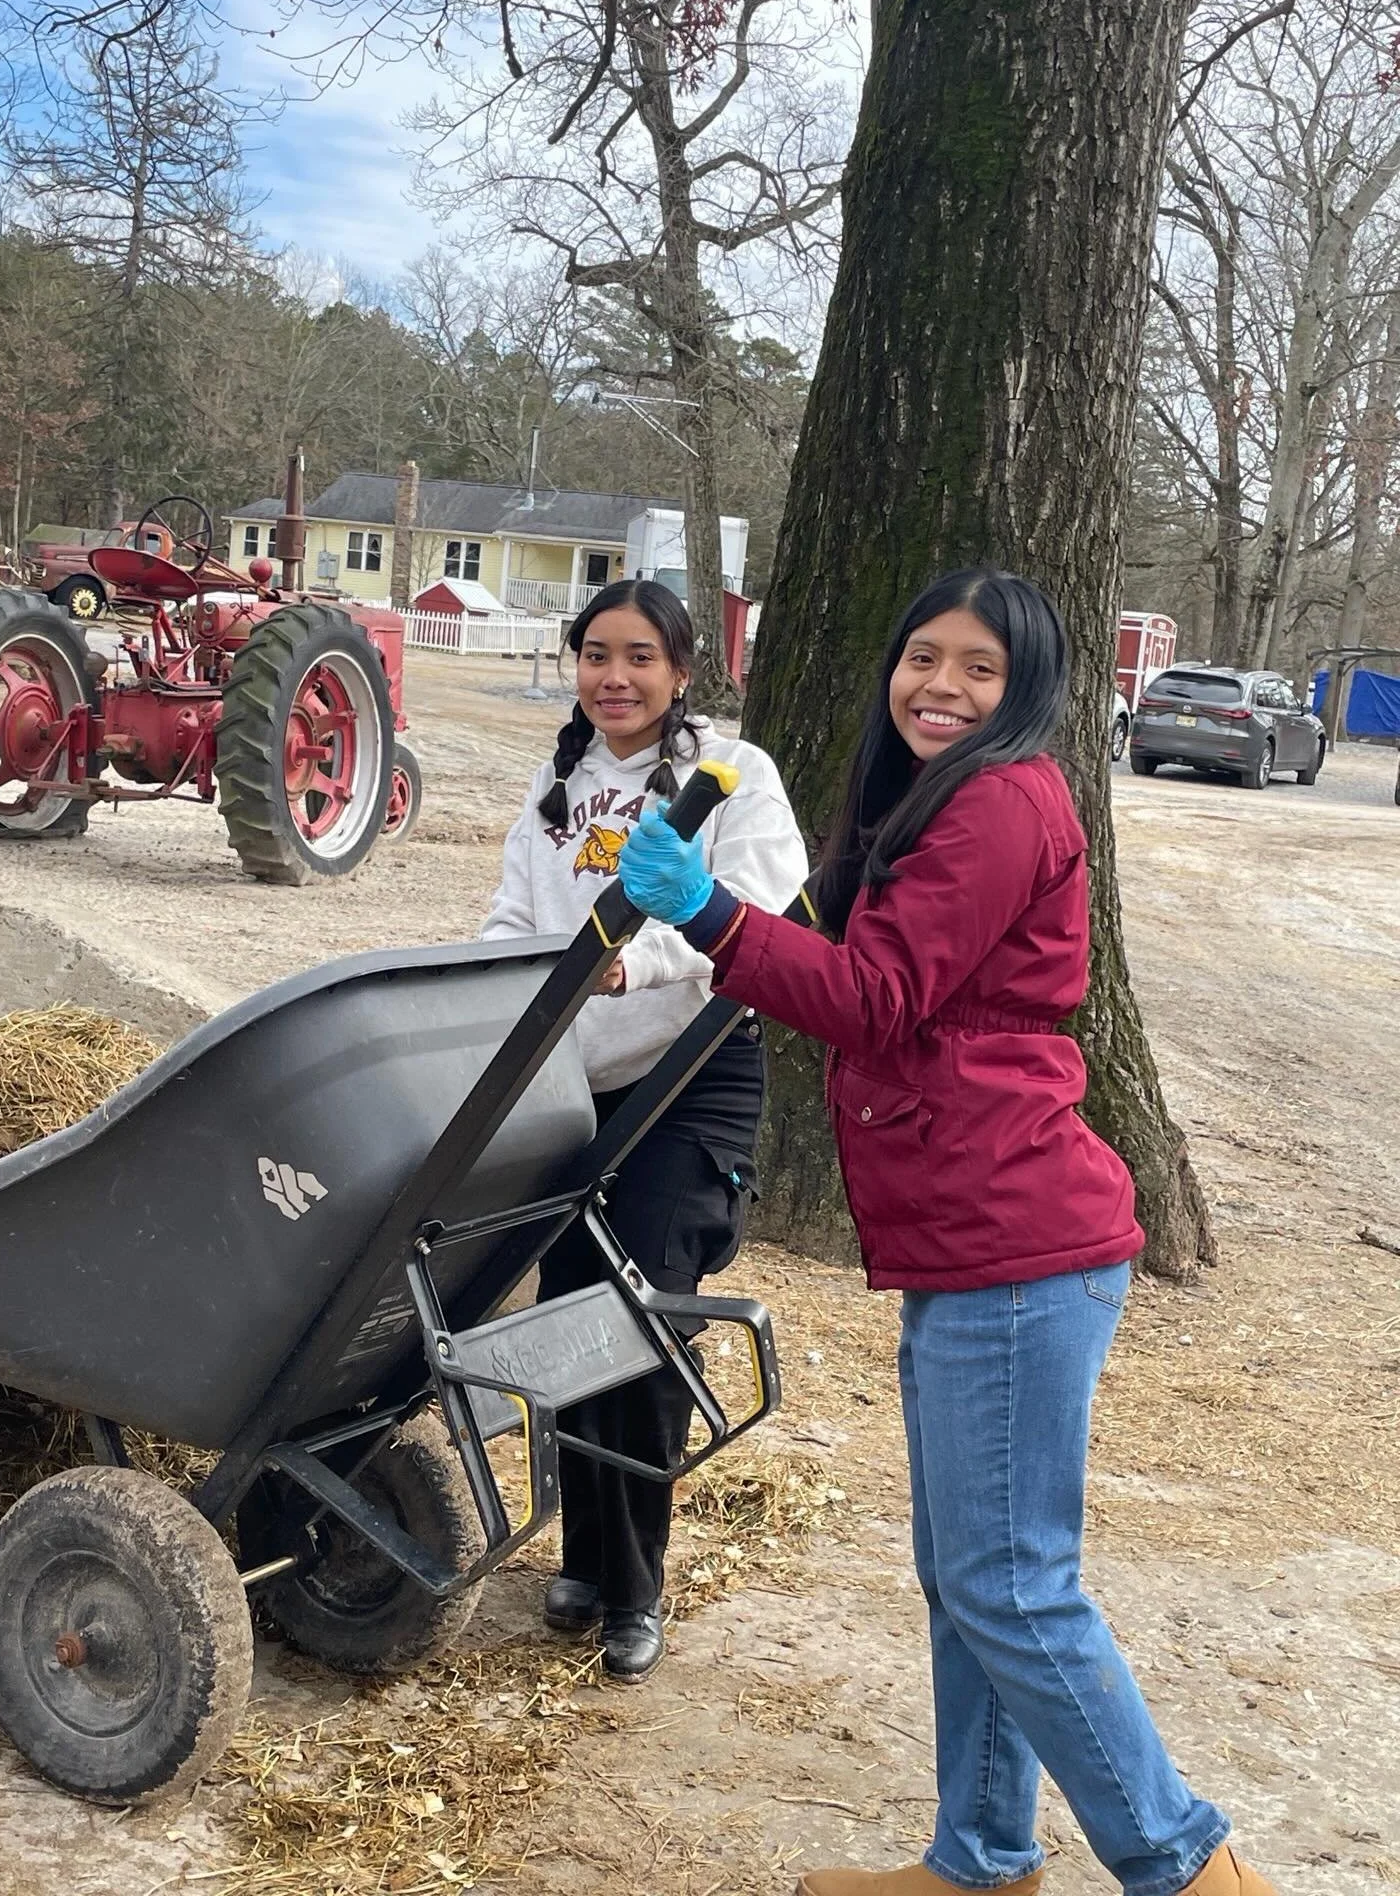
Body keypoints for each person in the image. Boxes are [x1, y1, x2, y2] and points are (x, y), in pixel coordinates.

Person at [616, 568, 1275, 1896]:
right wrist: (722, 915)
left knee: (1014, 1589)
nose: (942, 687)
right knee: (969, 1579)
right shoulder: (931, 800)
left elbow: (876, 998)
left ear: (1026, 689)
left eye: (981, 668)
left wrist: (707, 914)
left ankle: (1188, 1870)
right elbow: (843, 950)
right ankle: (982, 1861)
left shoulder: (1002, 802)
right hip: (976, 1239)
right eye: (924, 657)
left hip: (1019, 1244)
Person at [480, 577, 807, 1683]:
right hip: (573, 1085)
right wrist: (492, 983)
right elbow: (515, 918)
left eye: (639, 658)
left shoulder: (733, 775)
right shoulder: (557, 786)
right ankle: (583, 1558)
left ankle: (635, 1586)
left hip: (688, 1077)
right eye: (596, 655)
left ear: (680, 671)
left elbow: (758, 905)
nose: (614, 678)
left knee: (645, 1321)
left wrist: (639, 962)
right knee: (571, 1318)